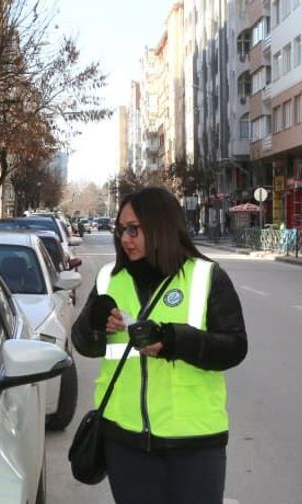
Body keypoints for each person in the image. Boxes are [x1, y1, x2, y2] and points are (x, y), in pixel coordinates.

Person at [71, 187, 248, 504]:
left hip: (194, 441)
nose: (126, 239)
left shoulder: (206, 276)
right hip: (124, 439)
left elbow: (235, 347)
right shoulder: (109, 278)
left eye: (134, 229)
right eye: (122, 230)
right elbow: (84, 344)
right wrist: (95, 325)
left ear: (161, 227)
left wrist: (174, 341)